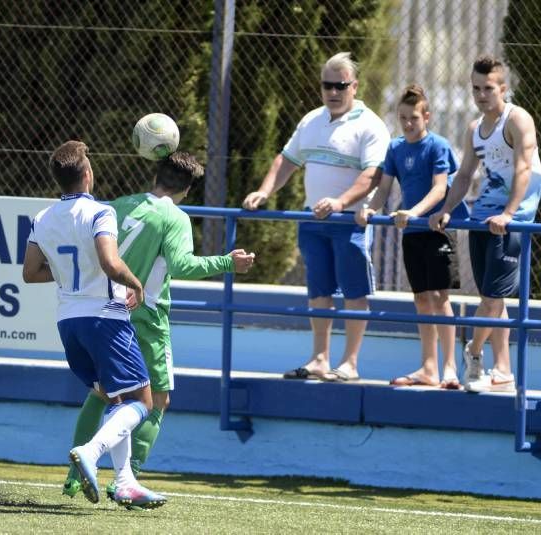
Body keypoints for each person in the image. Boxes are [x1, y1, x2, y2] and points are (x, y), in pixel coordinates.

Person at [62, 151, 256, 500]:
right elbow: (181, 265)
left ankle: (74, 474)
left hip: (104, 311)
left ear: (155, 176)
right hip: (147, 318)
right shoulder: (174, 216)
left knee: (103, 392)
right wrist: (229, 262)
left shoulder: (119, 205)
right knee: (157, 399)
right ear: (188, 189)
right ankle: (128, 479)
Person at [22, 140, 166, 509]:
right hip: (104, 318)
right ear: (87, 174)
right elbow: (110, 262)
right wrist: (135, 283)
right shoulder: (101, 212)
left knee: (115, 397)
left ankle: (125, 483)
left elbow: (30, 273)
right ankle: (91, 450)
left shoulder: (42, 218)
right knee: (142, 400)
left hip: (68, 322)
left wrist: (72, 276)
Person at [242, 51, 390, 383]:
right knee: (318, 289)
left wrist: (339, 203)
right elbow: (286, 161)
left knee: (354, 292)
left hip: (348, 222)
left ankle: (350, 362)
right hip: (313, 221)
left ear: (355, 86)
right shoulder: (311, 120)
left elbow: (372, 176)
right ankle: (320, 358)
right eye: (327, 85)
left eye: (340, 85)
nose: (333, 92)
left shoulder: (371, 125)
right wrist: (265, 191)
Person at [428, 55, 541, 393]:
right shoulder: (474, 129)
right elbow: (465, 175)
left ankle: (474, 352)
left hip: (513, 216)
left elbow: (523, 168)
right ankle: (504, 369)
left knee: (492, 296)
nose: (481, 95)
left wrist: (509, 214)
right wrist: (447, 208)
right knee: (491, 298)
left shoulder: (518, 119)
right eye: (476, 88)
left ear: (503, 89)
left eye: (488, 88)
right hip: (483, 215)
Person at [356, 84, 467, 389]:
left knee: (441, 297)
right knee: (420, 298)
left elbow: (440, 188)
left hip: (437, 230)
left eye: (414, 118)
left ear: (426, 117)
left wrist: (414, 212)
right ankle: (428, 367)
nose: (407, 124)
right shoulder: (394, 148)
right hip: (412, 232)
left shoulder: (438, 146)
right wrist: (370, 208)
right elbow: (385, 187)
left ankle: (449, 368)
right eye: (403, 117)